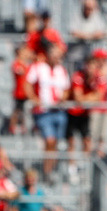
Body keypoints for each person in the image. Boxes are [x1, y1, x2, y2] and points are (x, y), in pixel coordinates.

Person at [26, 43, 70, 182]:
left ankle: (50, 169)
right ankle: (47, 171)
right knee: (49, 140)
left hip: (59, 111)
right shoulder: (38, 68)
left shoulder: (62, 70)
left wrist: (63, 98)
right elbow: (27, 84)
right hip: (44, 111)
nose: (58, 58)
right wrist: (34, 98)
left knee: (55, 143)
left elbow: (67, 89)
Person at [66, 50, 107, 170]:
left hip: (85, 114)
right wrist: (90, 98)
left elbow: (99, 97)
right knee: (71, 141)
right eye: (89, 65)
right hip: (73, 113)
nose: (90, 68)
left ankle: (84, 165)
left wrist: (87, 99)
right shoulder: (78, 76)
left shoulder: (99, 78)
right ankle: (71, 166)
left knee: (87, 140)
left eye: (93, 66)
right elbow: (78, 98)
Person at [67, 0, 106, 72]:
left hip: (90, 55)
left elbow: (101, 32)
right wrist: (90, 36)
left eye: (91, 9)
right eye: (87, 8)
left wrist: (85, 35)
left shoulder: (96, 15)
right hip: (76, 55)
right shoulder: (76, 15)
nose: (89, 11)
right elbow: (74, 32)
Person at [9, 43, 34, 135]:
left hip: (26, 92)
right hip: (19, 92)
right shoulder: (17, 63)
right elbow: (20, 72)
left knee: (24, 111)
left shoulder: (26, 64)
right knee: (17, 110)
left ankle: (24, 127)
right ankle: (12, 126)